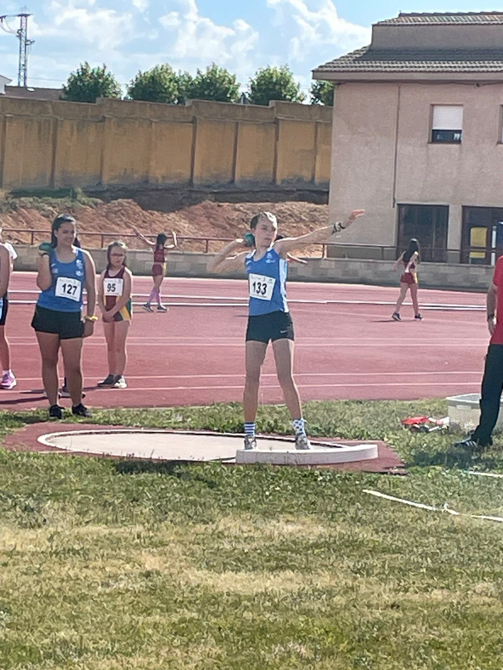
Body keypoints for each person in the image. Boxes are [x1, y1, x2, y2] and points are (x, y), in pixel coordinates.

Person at [208, 209, 365, 450]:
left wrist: (340, 225)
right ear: (253, 231)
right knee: (251, 378)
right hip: (256, 321)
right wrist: (234, 244)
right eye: (264, 228)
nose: (269, 233)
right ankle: (249, 434)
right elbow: (213, 267)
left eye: (273, 229)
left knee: (285, 376)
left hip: (280, 319)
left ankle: (300, 433)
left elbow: (308, 238)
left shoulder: (279, 250)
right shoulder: (247, 259)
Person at [31, 214, 97, 419]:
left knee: (74, 365)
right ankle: (54, 405)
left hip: (72, 315)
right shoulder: (48, 255)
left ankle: (77, 404)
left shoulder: (84, 257)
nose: (69, 235)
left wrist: (90, 318)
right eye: (65, 231)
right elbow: (43, 285)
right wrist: (44, 258)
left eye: (72, 232)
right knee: (49, 360)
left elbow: (91, 288)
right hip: (47, 313)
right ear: (56, 233)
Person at [454, 255, 503, 451]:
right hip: (499, 341)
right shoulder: (502, 263)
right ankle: (482, 438)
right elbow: (492, 291)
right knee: (490, 392)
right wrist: (490, 316)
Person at [97, 241, 133, 389]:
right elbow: (100, 295)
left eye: (120, 255)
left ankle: (120, 376)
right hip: (107, 313)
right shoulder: (104, 274)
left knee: (119, 345)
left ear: (125, 256)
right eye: (114, 255)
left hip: (122, 313)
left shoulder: (126, 274)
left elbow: (126, 296)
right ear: (109, 256)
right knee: (110, 346)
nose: (117, 258)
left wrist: (113, 312)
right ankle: (111, 374)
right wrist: (104, 311)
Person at [132, 228, 177, 312]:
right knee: (156, 287)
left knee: (157, 287)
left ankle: (159, 305)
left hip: (154, 266)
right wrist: (174, 235)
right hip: (161, 267)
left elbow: (144, 240)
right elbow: (175, 245)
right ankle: (148, 304)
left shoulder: (154, 247)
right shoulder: (165, 249)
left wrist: (138, 234)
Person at [0, 228, 16, 389]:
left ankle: (7, 373)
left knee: (0, 334)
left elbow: (4, 281)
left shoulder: (3, 250)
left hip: (0, 298)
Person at [391, 238, 422, 321]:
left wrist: (395, 266)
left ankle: (396, 312)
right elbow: (411, 262)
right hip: (411, 274)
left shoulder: (405, 253)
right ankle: (416, 314)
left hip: (405, 275)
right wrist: (408, 268)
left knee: (402, 295)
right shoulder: (415, 253)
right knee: (414, 297)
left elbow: (398, 260)